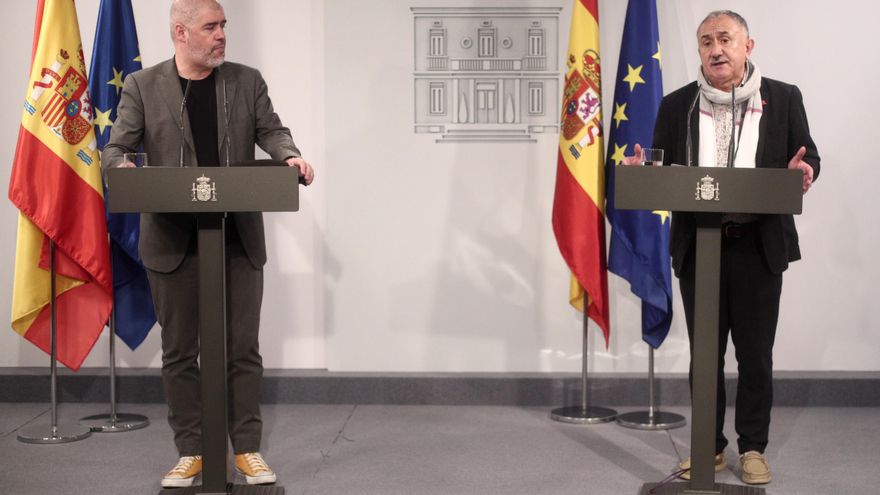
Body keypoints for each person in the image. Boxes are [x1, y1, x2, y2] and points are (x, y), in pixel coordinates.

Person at [103, 0, 314, 488]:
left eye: (224, 26)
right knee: (179, 352)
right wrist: (122, 166)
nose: (222, 35)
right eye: (211, 27)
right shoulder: (142, 85)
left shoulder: (246, 81)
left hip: (235, 237)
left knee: (242, 350)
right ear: (181, 33)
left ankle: (246, 450)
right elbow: (116, 147)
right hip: (172, 241)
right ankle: (192, 451)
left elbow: (272, 131)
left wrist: (290, 156)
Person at [624, 10, 819, 485]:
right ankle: (707, 448)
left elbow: (805, 154)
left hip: (758, 245)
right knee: (704, 354)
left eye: (725, 39)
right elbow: (663, 169)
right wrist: (646, 175)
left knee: (756, 353)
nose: (716, 49)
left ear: (747, 47)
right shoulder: (677, 106)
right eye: (706, 41)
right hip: (700, 248)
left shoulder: (784, 98)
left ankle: (753, 447)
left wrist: (806, 169)